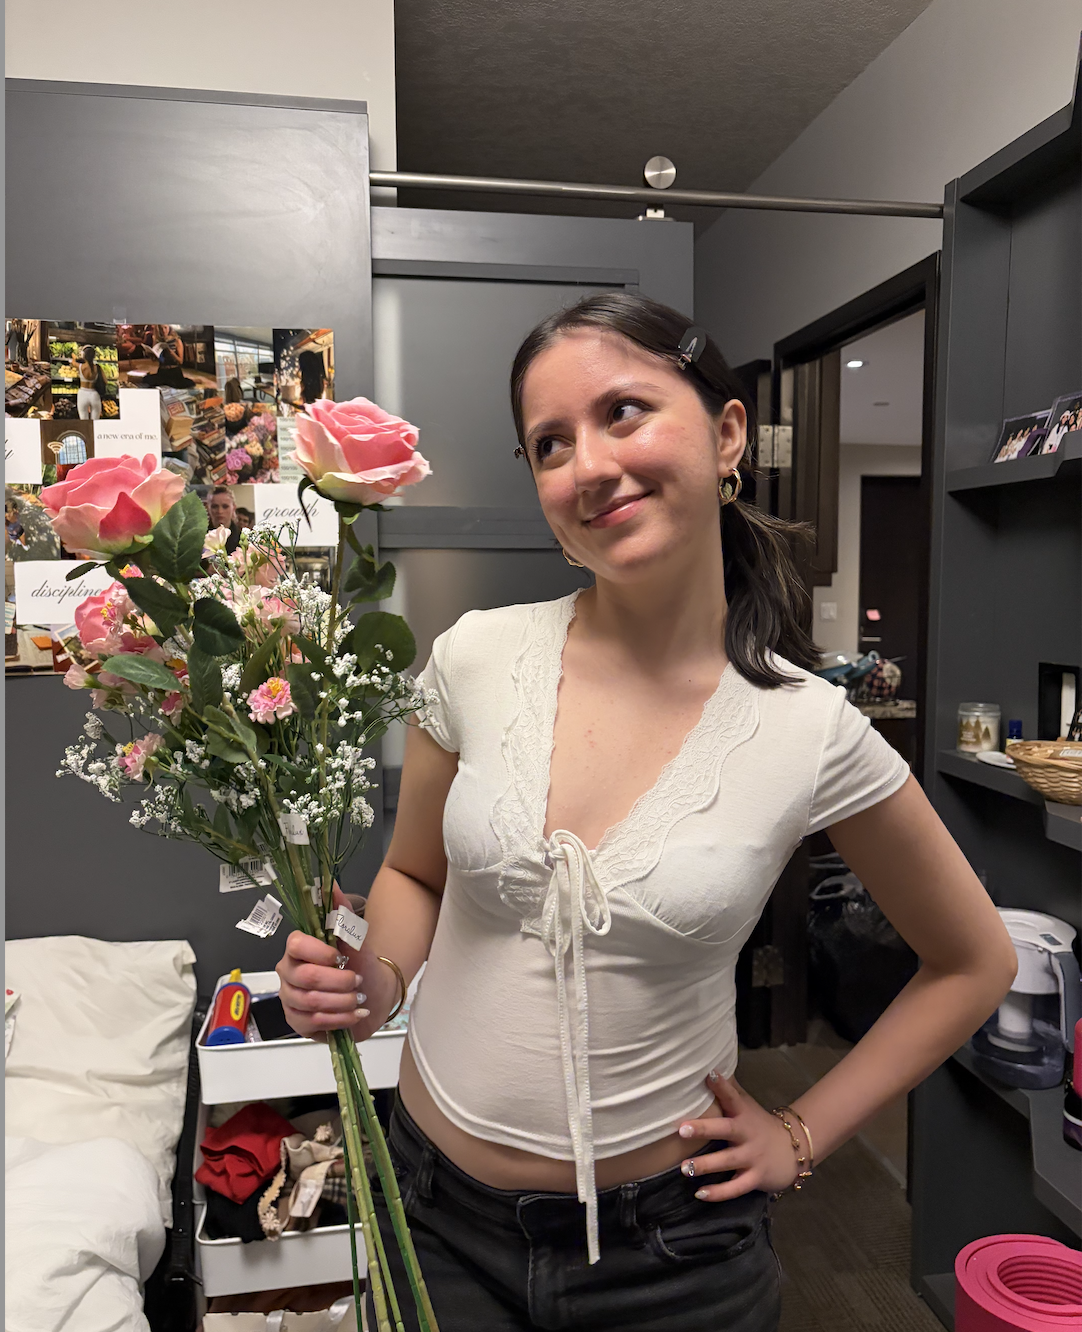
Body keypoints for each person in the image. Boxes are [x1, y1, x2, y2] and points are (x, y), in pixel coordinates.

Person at [277, 293, 1016, 1332]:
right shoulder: (476, 656)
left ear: (726, 435)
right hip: (433, 1216)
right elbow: (413, 875)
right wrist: (375, 978)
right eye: (549, 443)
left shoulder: (808, 729)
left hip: (672, 1256)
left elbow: (973, 961)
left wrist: (799, 1135)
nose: (587, 465)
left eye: (622, 412)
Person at [73, 345, 106, 420]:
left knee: (83, 420)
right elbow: (105, 381)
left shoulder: (81, 367)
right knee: (95, 421)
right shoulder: (98, 368)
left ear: (84, 355)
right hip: (94, 395)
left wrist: (74, 356)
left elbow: (73, 362)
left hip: (82, 394)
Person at [205, 487, 241, 554]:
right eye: (214, 506)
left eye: (225, 506)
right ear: (208, 508)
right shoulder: (199, 538)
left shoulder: (242, 539)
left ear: (233, 507)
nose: (220, 511)